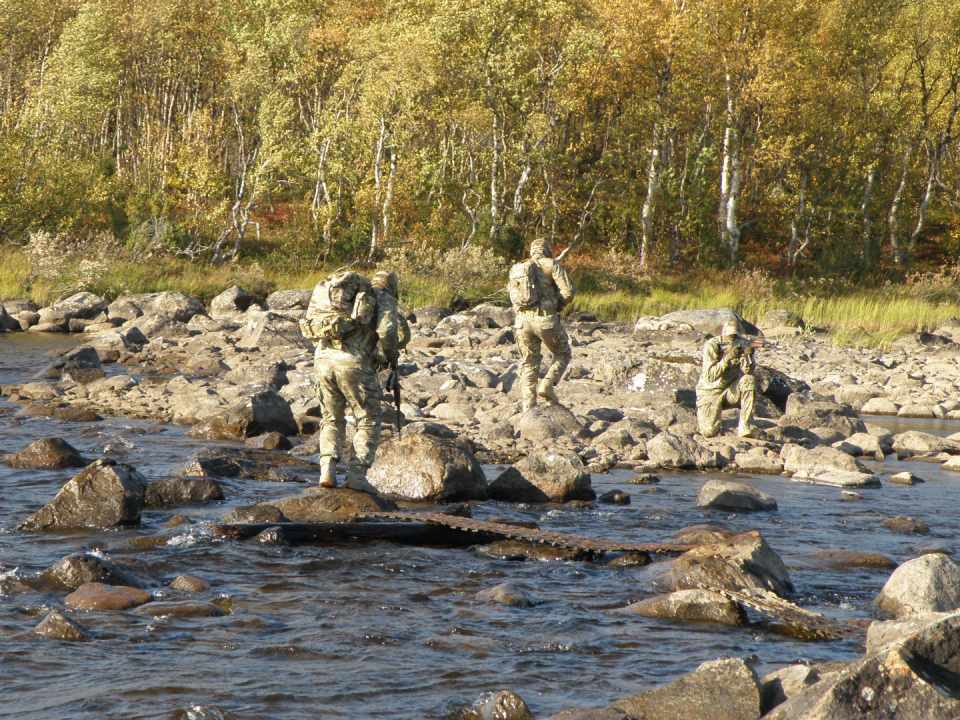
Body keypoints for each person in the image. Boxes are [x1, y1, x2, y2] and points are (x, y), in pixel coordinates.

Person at [300, 270, 398, 488]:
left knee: (331, 419)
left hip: (322, 362)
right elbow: (389, 330)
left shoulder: (341, 299)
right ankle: (357, 477)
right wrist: (391, 357)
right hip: (353, 364)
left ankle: (327, 472)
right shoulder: (382, 296)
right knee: (368, 420)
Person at [508, 238, 576, 412]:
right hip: (546, 320)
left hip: (522, 322)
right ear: (546, 250)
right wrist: (558, 306)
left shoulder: (518, 269)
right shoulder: (552, 265)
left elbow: (512, 297)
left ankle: (528, 407)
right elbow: (568, 291)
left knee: (529, 362)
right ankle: (547, 384)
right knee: (563, 353)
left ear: (531, 251)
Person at [696, 319, 756, 438]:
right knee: (709, 432)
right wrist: (727, 358)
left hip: (731, 390)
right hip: (710, 391)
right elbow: (711, 376)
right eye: (730, 335)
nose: (733, 338)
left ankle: (744, 426)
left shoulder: (742, 343)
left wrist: (748, 355)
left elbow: (747, 372)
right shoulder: (712, 345)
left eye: (735, 335)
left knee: (749, 380)